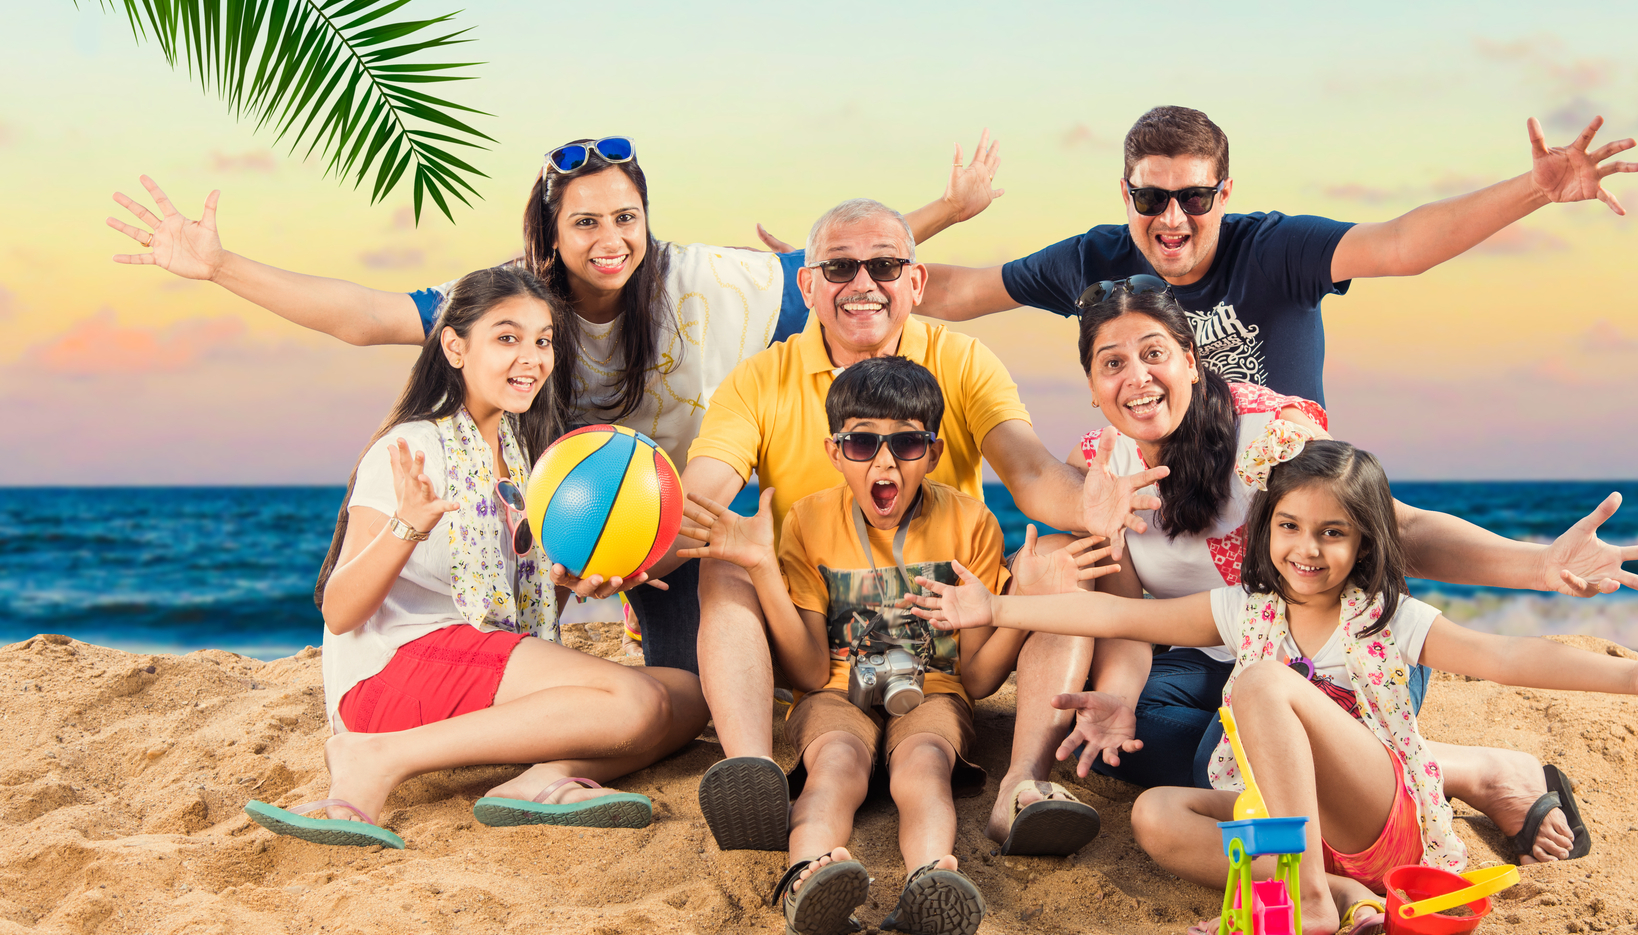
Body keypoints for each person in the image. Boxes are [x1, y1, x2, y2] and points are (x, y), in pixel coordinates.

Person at [105, 131, 1006, 670]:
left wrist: (954, 213)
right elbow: (363, 316)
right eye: (586, 221)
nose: (610, 239)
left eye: (625, 218)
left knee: (749, 665)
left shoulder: (702, 280)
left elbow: (850, 269)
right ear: (551, 232)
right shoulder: (516, 305)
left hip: (690, 519)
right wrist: (218, 265)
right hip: (583, 527)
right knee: (688, 677)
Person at [908, 434, 1638, 935]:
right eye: (1292, 528)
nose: (1309, 550)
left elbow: (1514, 658)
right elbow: (1119, 616)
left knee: (1260, 685)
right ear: (1267, 532)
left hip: (1381, 819)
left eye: (1334, 533)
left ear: (1367, 541)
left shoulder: (1388, 620)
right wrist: (995, 601)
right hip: (1282, 835)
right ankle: (1336, 895)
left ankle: (1302, 902)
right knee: (1159, 814)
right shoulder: (1246, 609)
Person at [988, 281, 1638, 861]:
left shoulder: (1267, 436)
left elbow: (1394, 527)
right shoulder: (1101, 470)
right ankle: (1411, 773)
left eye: (1154, 354)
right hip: (1212, 653)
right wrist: (1118, 695)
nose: (1136, 377)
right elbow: (1129, 616)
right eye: (1112, 363)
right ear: (1091, 386)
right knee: (1118, 745)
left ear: (1193, 362)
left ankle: (1473, 767)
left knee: (1223, 764)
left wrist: (1538, 565)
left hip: (1333, 655)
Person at [662, 198, 1166, 851]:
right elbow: (700, 500)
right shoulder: (761, 380)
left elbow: (1029, 470)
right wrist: (622, 551)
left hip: (947, 641)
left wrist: (1088, 506)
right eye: (840, 268)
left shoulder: (962, 361)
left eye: (885, 265)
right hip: (818, 641)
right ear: (807, 284)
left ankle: (1023, 782)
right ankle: (754, 770)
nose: (864, 284)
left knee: (1070, 548)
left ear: (916, 282)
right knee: (725, 552)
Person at [242, 267, 707, 849]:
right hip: (395, 671)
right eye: (507, 338)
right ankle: (376, 756)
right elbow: (339, 612)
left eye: (543, 340)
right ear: (455, 346)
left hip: (482, 664)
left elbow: (529, 610)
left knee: (688, 697)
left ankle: (542, 781)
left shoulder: (537, 461)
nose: (531, 358)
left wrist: (579, 580)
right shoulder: (412, 447)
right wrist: (405, 526)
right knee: (635, 701)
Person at [674, 357, 1106, 935]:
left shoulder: (972, 523)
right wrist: (760, 565)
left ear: (932, 451)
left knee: (924, 769)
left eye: (906, 443)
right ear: (834, 451)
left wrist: (1021, 609)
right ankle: (807, 875)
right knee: (834, 766)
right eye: (860, 443)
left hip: (933, 693)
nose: (883, 461)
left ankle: (931, 878)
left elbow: (975, 680)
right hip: (834, 692)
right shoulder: (807, 520)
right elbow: (804, 666)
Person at [904, 105, 1638, 410]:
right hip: (1170, 520)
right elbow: (952, 291)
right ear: (1123, 192)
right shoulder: (1095, 260)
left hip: (1281, 512)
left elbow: (1402, 244)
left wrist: (1536, 191)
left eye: (1193, 198)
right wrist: (844, 256)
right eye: (1150, 197)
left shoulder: (1275, 249)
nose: (1170, 218)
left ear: (1224, 192)